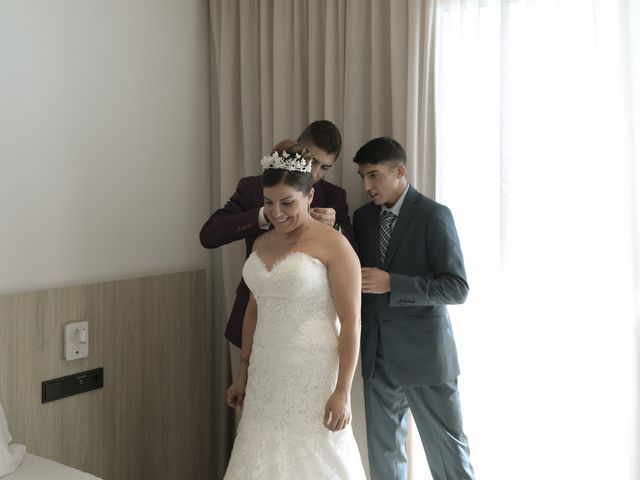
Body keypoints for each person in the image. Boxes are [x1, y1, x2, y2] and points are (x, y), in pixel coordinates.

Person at [223, 140, 366, 479]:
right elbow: (253, 311)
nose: (277, 212)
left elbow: (351, 322)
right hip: (265, 374)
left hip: (313, 374)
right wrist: (243, 372)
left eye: (287, 202)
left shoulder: (335, 245)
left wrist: (342, 392)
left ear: (310, 196)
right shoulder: (261, 242)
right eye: (269, 203)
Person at [352, 137, 475, 480]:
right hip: (377, 357)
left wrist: (395, 284)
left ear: (400, 171)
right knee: (383, 456)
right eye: (363, 176)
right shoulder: (362, 219)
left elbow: (457, 287)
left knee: (448, 454)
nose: (366, 186)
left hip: (426, 358)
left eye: (374, 175)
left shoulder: (434, 215)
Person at [200, 120, 355, 348]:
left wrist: (335, 229)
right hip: (255, 315)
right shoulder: (253, 188)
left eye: (325, 167)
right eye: (312, 161)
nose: (315, 172)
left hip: (309, 328)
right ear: (298, 147)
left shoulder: (334, 197)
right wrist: (265, 213)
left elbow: (354, 259)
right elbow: (209, 235)